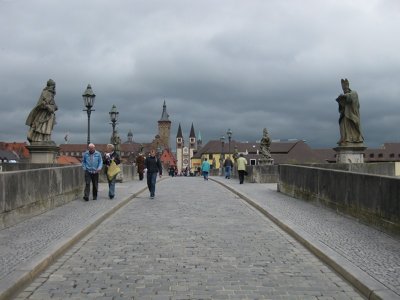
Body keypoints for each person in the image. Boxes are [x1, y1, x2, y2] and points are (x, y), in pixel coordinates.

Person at [25, 79, 58, 143]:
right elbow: (42, 103)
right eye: (53, 86)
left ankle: (46, 138)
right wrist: (48, 107)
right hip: (44, 113)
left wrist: (54, 107)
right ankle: (39, 138)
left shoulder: (51, 94)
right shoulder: (46, 92)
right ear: (50, 85)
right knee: (41, 126)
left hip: (49, 113)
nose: (54, 87)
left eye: (54, 86)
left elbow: (52, 103)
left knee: (47, 127)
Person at [335, 78, 364, 146]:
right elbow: (342, 107)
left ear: (348, 86)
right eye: (343, 89)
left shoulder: (354, 92)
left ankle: (352, 138)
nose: (344, 90)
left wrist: (344, 96)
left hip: (352, 115)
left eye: (345, 88)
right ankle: (345, 138)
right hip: (345, 115)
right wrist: (340, 101)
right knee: (342, 124)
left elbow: (351, 97)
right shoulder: (346, 94)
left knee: (351, 125)